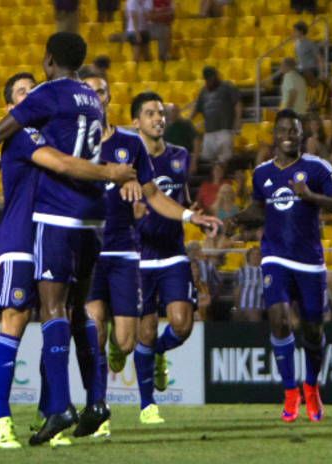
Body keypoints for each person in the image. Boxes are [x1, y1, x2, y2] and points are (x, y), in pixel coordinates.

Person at [0, 33, 118, 444]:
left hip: (55, 225)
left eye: (29, 89)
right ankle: (3, 417)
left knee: (63, 314)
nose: (28, 94)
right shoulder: (26, 131)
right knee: (18, 323)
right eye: (19, 93)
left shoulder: (43, 126)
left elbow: (58, 159)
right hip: (24, 235)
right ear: (11, 105)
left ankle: (55, 410)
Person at [84, 85, 218, 434]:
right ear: (136, 122)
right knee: (125, 332)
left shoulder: (178, 156)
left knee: (181, 325)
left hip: (170, 253)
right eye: (151, 114)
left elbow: (166, 194)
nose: (159, 119)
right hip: (133, 254)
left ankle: (156, 353)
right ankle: (140, 406)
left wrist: (191, 216)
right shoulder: (104, 148)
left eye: (161, 113)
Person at [224, 109, 332, 423]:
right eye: (282, 129)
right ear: (273, 135)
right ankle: (290, 391)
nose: (288, 134)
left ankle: (311, 386)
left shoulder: (317, 168)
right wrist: (238, 218)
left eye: (294, 130)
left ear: (301, 134)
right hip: (274, 255)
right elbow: (259, 205)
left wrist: (310, 195)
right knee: (280, 322)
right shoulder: (262, 172)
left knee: (313, 330)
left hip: (309, 260)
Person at [191, 66, 242, 164]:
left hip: (225, 129)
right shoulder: (203, 91)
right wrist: (189, 120)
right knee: (208, 157)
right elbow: (197, 107)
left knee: (225, 158)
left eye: (211, 77)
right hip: (209, 131)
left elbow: (237, 103)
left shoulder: (227, 87)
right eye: (207, 79)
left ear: (216, 76)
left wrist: (238, 119)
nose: (209, 81)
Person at [232, 246, 264, 322]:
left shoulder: (265, 271)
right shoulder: (241, 271)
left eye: (258, 254)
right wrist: (236, 307)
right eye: (252, 254)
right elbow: (237, 290)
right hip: (242, 305)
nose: (255, 256)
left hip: (257, 306)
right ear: (248, 256)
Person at [164, 103, 200, 169]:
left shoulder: (185, 125)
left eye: (175, 111)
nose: (173, 113)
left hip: (183, 158)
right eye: (171, 111)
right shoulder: (164, 128)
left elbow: (196, 140)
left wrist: (194, 160)